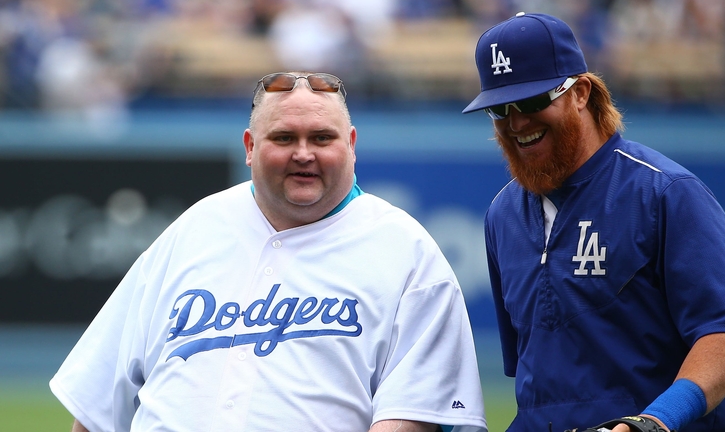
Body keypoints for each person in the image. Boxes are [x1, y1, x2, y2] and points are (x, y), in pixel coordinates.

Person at [50, 71, 488, 432]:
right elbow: (98, 405)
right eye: (283, 138)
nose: (303, 153)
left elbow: (411, 416)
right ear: (250, 147)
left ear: (351, 144)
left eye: (321, 138)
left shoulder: (405, 250)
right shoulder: (193, 229)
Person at [461, 12, 725, 432]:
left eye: (532, 101)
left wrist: (654, 422)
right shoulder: (502, 214)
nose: (516, 122)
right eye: (499, 108)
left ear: (581, 92)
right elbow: (537, 376)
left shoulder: (664, 192)